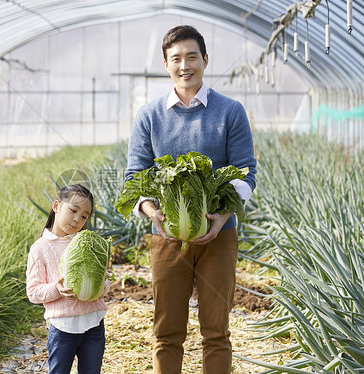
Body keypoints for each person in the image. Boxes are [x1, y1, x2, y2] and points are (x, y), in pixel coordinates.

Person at [124, 25, 257, 373]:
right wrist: (153, 213)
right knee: (167, 333)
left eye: (192, 57)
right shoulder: (149, 116)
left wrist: (223, 216)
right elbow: (133, 178)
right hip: (167, 236)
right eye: (176, 58)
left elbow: (246, 173)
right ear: (166, 65)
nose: (185, 65)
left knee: (216, 332)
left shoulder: (231, 111)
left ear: (205, 60)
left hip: (220, 235)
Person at [26, 184, 110, 374]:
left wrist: (101, 288)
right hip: (63, 328)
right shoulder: (40, 248)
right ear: (56, 206)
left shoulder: (88, 243)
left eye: (84, 216)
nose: (77, 219)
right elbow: (33, 292)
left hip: (94, 324)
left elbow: (105, 280)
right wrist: (56, 288)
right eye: (73, 210)